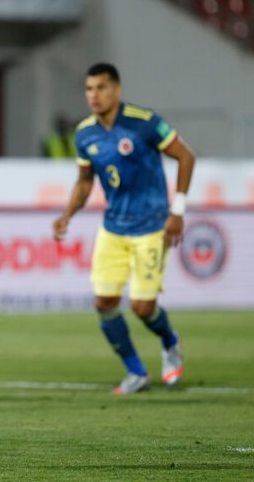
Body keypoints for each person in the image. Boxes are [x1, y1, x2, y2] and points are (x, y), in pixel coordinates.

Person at [52, 63, 195, 395]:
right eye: (89, 89)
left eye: (101, 88)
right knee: (104, 302)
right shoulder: (85, 133)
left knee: (143, 308)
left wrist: (178, 211)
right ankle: (136, 371)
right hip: (113, 228)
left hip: (151, 227)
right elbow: (86, 181)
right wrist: (68, 214)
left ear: (116, 89)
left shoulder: (145, 123)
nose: (94, 95)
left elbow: (186, 157)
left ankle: (170, 341)